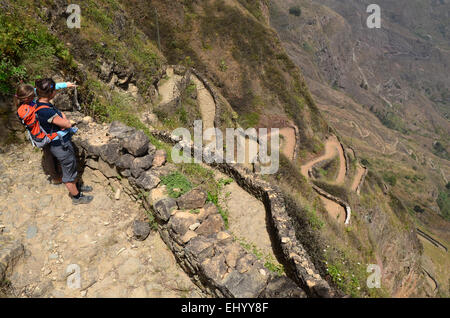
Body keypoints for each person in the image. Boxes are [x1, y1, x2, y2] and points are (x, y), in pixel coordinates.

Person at [34, 78, 94, 205]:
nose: (56, 91)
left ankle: (76, 186)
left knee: (71, 166)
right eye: (55, 90)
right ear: (51, 93)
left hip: (58, 143)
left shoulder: (38, 102)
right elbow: (66, 123)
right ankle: (77, 197)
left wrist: (65, 85)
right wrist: (64, 118)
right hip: (60, 145)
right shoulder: (46, 111)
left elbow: (60, 116)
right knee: (68, 170)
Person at [14, 82, 77, 184]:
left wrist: (65, 85)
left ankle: (59, 172)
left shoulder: (29, 99)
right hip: (41, 135)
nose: (35, 96)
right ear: (26, 98)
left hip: (45, 132)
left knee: (53, 153)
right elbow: (37, 118)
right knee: (49, 155)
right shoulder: (24, 110)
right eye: (32, 96)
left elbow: (44, 89)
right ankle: (55, 177)